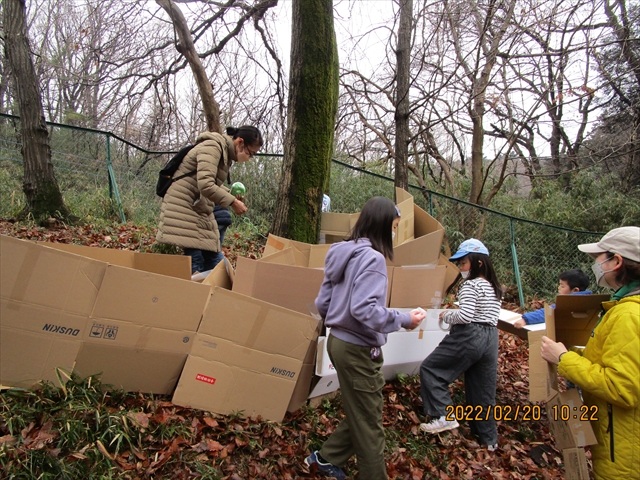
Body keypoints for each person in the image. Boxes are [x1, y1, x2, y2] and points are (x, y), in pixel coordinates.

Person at [305, 196, 425, 480]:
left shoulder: (342, 252)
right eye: (394, 226)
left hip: (338, 342)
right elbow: (364, 309)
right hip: (358, 347)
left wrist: (337, 320)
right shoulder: (373, 259)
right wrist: (405, 319)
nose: (394, 233)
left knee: (364, 408)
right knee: (370, 422)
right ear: (383, 226)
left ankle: (326, 458)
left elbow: (323, 303)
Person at [541, 226, 640, 480]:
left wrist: (563, 359)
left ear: (616, 261)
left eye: (599, 258)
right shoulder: (625, 307)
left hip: (624, 454)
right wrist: (572, 352)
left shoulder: (629, 314)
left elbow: (621, 387)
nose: (596, 265)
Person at [419, 238, 502, 451]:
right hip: (491, 338)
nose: (462, 268)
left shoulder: (469, 285)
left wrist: (447, 315)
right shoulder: (494, 287)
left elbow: (465, 316)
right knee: (482, 391)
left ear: (479, 263)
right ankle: (489, 440)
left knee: (431, 369)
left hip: (470, 335)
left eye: (464, 263)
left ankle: (443, 414)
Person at [156, 126, 263, 274]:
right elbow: (206, 185)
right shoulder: (213, 147)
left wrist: (231, 195)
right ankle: (195, 293)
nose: (249, 158)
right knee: (196, 259)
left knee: (213, 254)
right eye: (250, 153)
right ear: (240, 142)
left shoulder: (223, 152)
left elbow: (210, 184)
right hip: (184, 205)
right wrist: (232, 202)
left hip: (196, 206)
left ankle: (218, 290)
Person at [513, 269, 592, 328]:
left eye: (562, 286)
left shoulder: (569, 303)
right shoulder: (589, 301)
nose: (558, 288)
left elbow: (548, 312)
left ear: (575, 290)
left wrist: (525, 319)